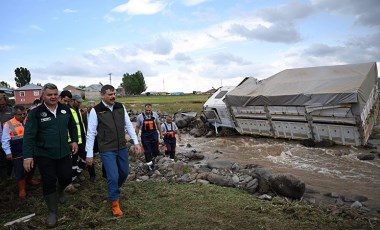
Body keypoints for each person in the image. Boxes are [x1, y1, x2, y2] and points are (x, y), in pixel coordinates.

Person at [23, 83, 78, 228]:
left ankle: (60, 192)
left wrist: (73, 140)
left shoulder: (65, 109)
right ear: (43, 96)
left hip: (64, 152)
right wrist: (27, 156)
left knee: (66, 177)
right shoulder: (35, 113)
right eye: (49, 94)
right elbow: (28, 136)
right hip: (44, 154)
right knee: (48, 181)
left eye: (55, 94)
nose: (53, 97)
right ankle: (52, 212)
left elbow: (72, 126)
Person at [85, 84, 142, 217]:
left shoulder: (120, 107)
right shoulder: (96, 111)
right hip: (106, 149)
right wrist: (89, 153)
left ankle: (114, 190)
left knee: (124, 172)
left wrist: (136, 142)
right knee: (113, 176)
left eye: (114, 94)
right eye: (110, 94)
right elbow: (91, 133)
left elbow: (128, 125)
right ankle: (115, 204)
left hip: (121, 147)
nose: (113, 96)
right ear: (102, 95)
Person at [1, 105, 40, 198]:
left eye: (24, 114)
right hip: (17, 152)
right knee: (19, 170)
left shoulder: (28, 121)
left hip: (31, 150)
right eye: (20, 114)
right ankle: (22, 188)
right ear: (14, 114)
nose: (23, 116)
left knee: (32, 166)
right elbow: (5, 140)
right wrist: (8, 152)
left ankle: (29, 179)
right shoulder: (8, 124)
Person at [135, 103, 163, 175]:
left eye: (149, 110)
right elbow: (137, 127)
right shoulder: (140, 117)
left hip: (154, 134)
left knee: (155, 150)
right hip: (145, 135)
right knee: (147, 151)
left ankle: (154, 158)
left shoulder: (155, 115)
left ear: (151, 109)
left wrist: (161, 133)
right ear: (144, 109)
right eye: (146, 110)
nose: (148, 111)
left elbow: (158, 124)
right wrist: (135, 137)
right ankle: (149, 166)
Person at [0, 90, 14, 181]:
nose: (2, 105)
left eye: (3, 103)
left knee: (9, 158)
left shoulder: (11, 110)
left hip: (9, 139)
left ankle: (9, 176)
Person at [82, 100, 98, 182]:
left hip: (98, 138)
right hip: (87, 139)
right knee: (89, 155)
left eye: (93, 108)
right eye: (90, 108)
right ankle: (92, 175)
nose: (91, 109)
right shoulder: (83, 116)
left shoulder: (98, 114)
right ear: (87, 108)